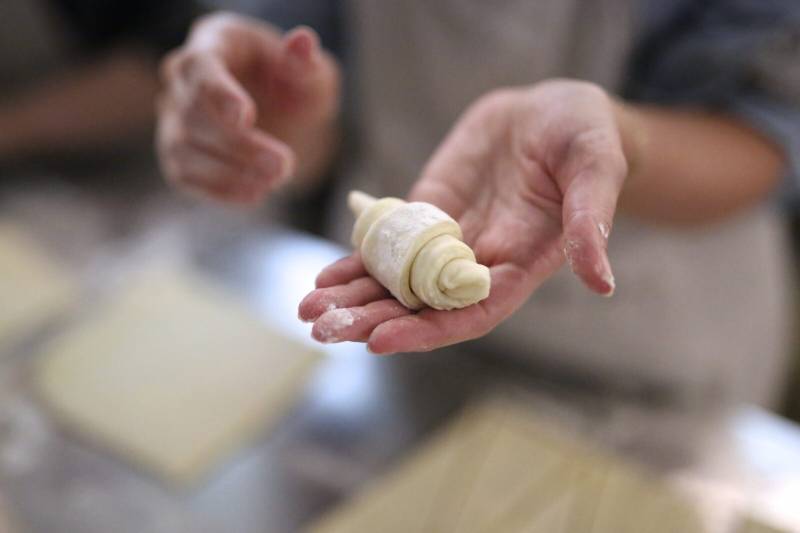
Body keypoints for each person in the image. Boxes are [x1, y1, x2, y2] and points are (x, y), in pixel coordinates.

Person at [157, 1, 800, 406]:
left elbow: (768, 131)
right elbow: (311, 121)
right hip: (407, 329)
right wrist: (261, 121)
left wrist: (620, 139)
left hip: (650, 341)